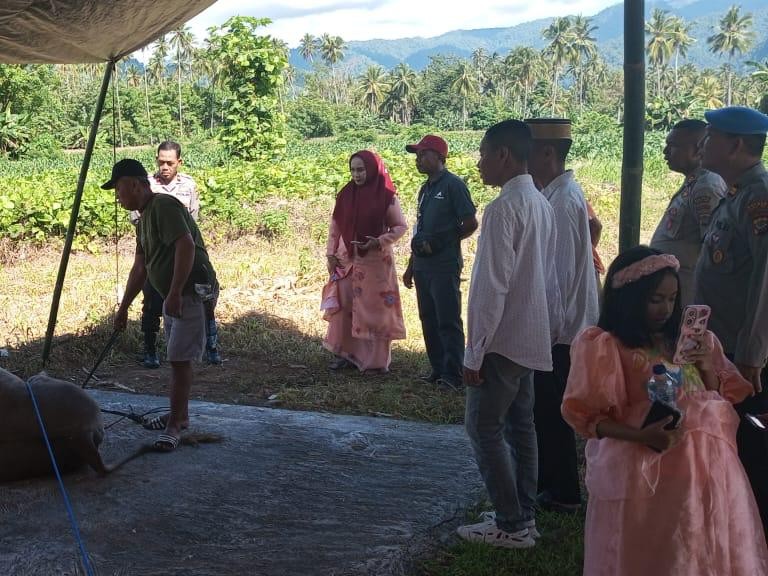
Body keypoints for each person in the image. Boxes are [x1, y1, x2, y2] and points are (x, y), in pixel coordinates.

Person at [563, 245, 768, 576]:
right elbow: (587, 417)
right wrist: (640, 435)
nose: (666, 308)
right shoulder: (607, 346)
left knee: (703, 540)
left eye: (672, 299)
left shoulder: (697, 342)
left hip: (707, 468)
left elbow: (722, 394)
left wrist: (705, 367)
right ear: (630, 298)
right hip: (644, 471)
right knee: (654, 547)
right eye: (655, 299)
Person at [457, 120, 561, 549]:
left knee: (483, 428)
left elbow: (490, 286)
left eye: (483, 154)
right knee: (521, 427)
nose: (479, 163)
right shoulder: (540, 202)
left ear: (502, 154)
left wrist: (474, 351)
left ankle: (511, 523)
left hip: (502, 340)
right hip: (529, 335)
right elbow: (549, 276)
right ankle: (523, 514)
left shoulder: (503, 209)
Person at [106, 158, 218, 451]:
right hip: (173, 294)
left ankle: (175, 425)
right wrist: (123, 308)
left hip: (190, 291)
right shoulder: (143, 220)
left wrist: (176, 292)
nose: (117, 197)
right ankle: (179, 416)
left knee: (179, 361)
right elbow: (139, 268)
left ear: (134, 184)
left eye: (118, 189)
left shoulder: (165, 206)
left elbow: (186, 245)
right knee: (176, 355)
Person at [695, 105, 768, 534]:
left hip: (744, 357)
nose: (704, 144)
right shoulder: (737, 192)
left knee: (753, 449)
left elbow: (765, 281)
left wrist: (754, 355)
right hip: (725, 351)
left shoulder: (759, 197)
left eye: (712, 136)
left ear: (736, 145)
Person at [526, 117, 599, 513]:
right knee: (547, 412)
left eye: (529, 151)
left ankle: (564, 492)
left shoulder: (563, 201)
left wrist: (547, 334)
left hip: (562, 332)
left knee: (552, 414)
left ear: (548, 154)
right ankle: (552, 485)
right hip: (563, 329)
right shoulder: (560, 194)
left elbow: (558, 279)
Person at [402, 135, 478, 389]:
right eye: (417, 155)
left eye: (423, 154)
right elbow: (419, 229)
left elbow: (470, 223)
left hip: (444, 265)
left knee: (448, 320)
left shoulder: (453, 185)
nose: (418, 159)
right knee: (428, 318)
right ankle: (437, 369)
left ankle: (453, 374)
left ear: (439, 156)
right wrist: (411, 266)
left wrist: (442, 241)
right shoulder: (425, 189)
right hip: (423, 266)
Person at [138, 141, 222, 368]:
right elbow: (138, 219)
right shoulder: (146, 184)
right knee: (152, 298)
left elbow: (191, 220)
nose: (164, 167)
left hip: (184, 250)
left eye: (170, 163)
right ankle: (150, 348)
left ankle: (211, 347)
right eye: (161, 161)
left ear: (179, 162)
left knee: (200, 297)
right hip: (156, 252)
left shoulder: (188, 185)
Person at [323, 150, 407, 372]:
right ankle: (345, 354)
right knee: (345, 307)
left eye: (361, 170)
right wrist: (330, 254)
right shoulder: (346, 195)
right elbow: (335, 227)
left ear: (372, 169)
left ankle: (374, 361)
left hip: (375, 263)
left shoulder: (387, 195)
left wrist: (379, 241)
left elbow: (399, 227)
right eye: (352, 170)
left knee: (373, 309)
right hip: (346, 262)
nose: (356, 175)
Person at [650, 119, 726, 307]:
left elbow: (711, 245)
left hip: (686, 294)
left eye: (673, 146)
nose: (665, 152)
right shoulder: (694, 182)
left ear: (698, 150)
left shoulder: (706, 187)